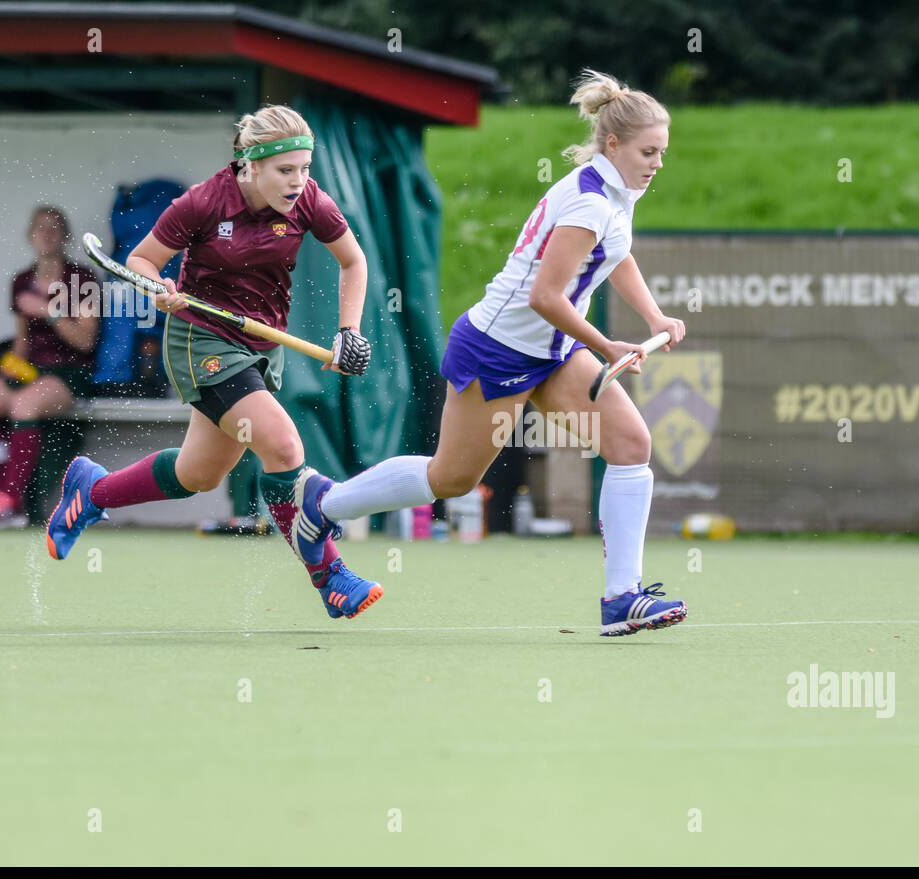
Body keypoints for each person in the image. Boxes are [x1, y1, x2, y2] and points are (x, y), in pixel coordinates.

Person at [294, 70, 688, 636]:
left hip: (553, 351)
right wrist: (605, 344)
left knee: (630, 444)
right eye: (649, 151)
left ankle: (621, 597)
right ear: (613, 144)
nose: (656, 163)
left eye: (662, 153)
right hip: (499, 352)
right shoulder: (589, 203)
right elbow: (545, 295)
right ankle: (323, 505)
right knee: (451, 479)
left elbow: (616, 255)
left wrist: (653, 316)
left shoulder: (615, 193)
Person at [45, 104, 383, 621]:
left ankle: (91, 491)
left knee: (197, 473)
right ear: (250, 164)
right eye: (285, 170)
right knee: (284, 445)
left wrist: (349, 331)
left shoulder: (308, 200)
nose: (298, 182)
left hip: (260, 346)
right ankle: (332, 578)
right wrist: (158, 287)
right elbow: (141, 260)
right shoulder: (202, 203)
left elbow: (353, 260)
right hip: (201, 341)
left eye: (305, 169)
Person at [0, 206, 100, 528]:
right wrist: (11, 366)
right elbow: (23, 341)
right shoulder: (22, 281)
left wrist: (48, 310)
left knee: (24, 405)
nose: (46, 235)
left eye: (54, 228)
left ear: (66, 236)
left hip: (69, 372)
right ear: (29, 235)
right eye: (40, 228)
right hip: (32, 371)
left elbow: (85, 341)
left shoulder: (81, 278)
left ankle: (13, 500)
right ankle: (2, 498)